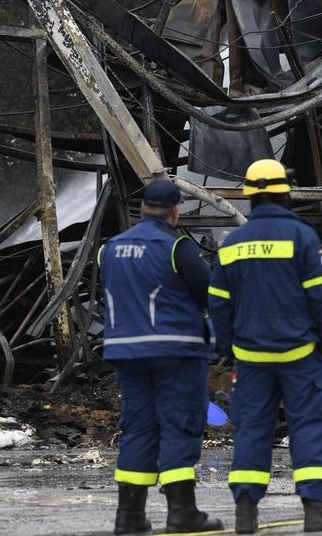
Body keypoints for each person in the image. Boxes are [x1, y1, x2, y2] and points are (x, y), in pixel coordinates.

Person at [208, 159, 322, 534]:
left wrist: (230, 346)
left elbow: (217, 302)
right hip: (301, 354)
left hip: (251, 358)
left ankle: (246, 513)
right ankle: (316, 511)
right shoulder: (302, 237)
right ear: (286, 192)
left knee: (252, 429)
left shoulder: (232, 243)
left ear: (250, 197)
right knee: (307, 427)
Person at [99, 179, 223, 535]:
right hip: (175, 351)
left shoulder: (110, 249)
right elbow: (209, 293)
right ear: (174, 210)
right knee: (179, 424)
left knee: (138, 426)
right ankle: (182, 513)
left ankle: (129, 517)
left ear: (142, 208)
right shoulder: (177, 247)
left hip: (125, 352)